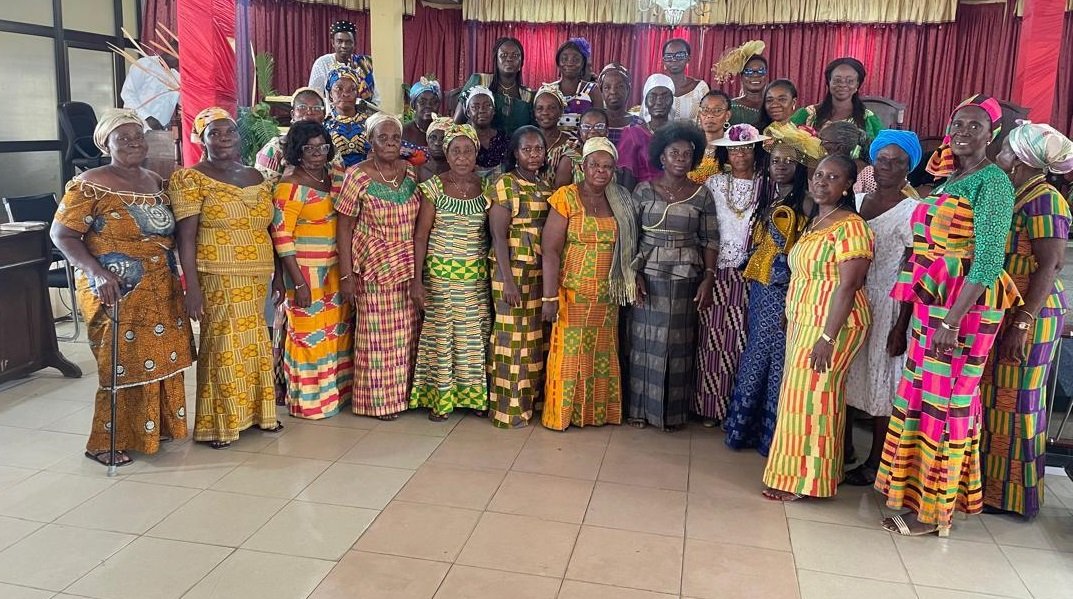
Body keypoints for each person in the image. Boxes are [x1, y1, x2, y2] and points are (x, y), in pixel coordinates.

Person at [876, 95, 1020, 537]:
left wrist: (951, 321)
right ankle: (914, 495)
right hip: (933, 304)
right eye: (958, 123)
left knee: (948, 403)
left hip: (964, 310)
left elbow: (989, 260)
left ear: (992, 135)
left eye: (975, 126)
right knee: (923, 399)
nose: (963, 132)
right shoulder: (951, 178)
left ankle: (933, 512)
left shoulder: (993, 182)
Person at [50, 108, 193, 466]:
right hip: (114, 288)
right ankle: (104, 442)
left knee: (160, 356)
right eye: (123, 138)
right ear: (106, 144)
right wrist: (98, 273)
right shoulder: (89, 184)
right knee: (120, 362)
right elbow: (62, 235)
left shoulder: (155, 181)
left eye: (137, 136)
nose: (133, 143)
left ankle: (154, 429)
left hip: (160, 285)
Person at [762, 154, 874, 501]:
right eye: (819, 175)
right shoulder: (817, 221)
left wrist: (827, 337)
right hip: (805, 318)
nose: (822, 182)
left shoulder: (851, 226)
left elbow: (849, 285)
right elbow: (805, 274)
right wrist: (790, 312)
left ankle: (807, 483)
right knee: (801, 396)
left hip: (832, 324)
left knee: (814, 398)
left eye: (833, 177)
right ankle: (813, 474)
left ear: (848, 186)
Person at [171, 107, 281, 449]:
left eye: (229, 131)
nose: (223, 138)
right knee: (223, 345)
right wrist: (191, 288)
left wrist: (279, 276)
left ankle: (260, 414)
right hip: (217, 274)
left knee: (256, 341)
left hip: (258, 274)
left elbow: (271, 229)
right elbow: (185, 238)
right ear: (201, 139)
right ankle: (220, 424)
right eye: (214, 133)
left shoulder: (258, 176)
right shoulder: (191, 179)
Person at [980, 123, 1073, 518]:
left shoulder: (1046, 200)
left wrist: (1022, 322)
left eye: (1003, 150)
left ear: (1018, 159)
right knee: (996, 399)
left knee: (1017, 402)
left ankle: (1014, 498)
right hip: (1007, 305)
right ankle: (990, 489)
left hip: (1029, 311)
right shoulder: (1018, 192)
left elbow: (1051, 264)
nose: (997, 155)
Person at [724, 123, 823, 455]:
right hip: (761, 289)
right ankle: (746, 430)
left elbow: (805, 254)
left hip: (783, 291)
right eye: (776, 160)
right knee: (757, 355)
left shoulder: (806, 202)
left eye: (788, 161)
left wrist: (792, 296)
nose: (781, 166)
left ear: (800, 166)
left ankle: (771, 437)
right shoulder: (771, 196)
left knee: (777, 359)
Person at [541, 137, 638, 431]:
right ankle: (563, 415)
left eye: (607, 166)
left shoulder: (620, 200)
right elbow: (550, 250)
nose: (600, 171)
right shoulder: (566, 197)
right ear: (583, 166)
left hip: (607, 296)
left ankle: (596, 414)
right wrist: (549, 297)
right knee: (569, 357)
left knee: (601, 356)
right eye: (594, 164)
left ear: (614, 170)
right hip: (572, 294)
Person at [843, 130, 923, 486]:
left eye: (897, 161)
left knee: (882, 381)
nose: (888, 166)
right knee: (845, 374)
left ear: (909, 167)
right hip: (851, 299)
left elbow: (913, 270)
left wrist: (900, 325)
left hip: (890, 303)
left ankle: (876, 460)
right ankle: (842, 448)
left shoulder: (913, 211)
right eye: (882, 159)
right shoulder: (855, 201)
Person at [628, 122, 719, 432]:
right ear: (661, 157)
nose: (680, 158)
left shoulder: (702, 194)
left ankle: (673, 414)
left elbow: (710, 240)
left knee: (678, 345)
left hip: (685, 278)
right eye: (674, 153)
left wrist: (708, 278)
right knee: (644, 343)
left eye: (686, 154)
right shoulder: (643, 190)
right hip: (647, 275)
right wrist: (633, 274)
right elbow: (631, 238)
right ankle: (640, 410)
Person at [335, 113, 423, 421]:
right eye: (382, 138)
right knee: (377, 338)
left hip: (406, 264)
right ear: (370, 141)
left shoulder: (410, 172)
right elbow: (344, 227)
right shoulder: (356, 175)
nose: (389, 143)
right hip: (372, 266)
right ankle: (377, 402)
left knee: (405, 335)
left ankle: (403, 396)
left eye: (395, 138)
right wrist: (346, 275)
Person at [270, 120, 354, 420]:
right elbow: (281, 237)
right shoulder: (289, 186)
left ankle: (335, 396)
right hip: (304, 272)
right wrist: (298, 283)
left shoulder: (335, 177)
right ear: (297, 151)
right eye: (309, 148)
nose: (318, 153)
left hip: (335, 270)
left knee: (336, 333)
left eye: (322, 146)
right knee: (307, 336)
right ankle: (309, 403)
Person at [409, 124, 491, 421]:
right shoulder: (434, 187)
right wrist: (417, 281)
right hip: (441, 277)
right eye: (455, 151)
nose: (462, 157)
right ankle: (440, 400)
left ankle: (473, 397)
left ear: (476, 153)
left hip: (475, 278)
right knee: (442, 337)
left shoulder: (487, 187)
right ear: (446, 153)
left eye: (468, 151)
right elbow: (421, 236)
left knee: (473, 338)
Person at [695, 123, 766, 426]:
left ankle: (734, 410)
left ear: (755, 151)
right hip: (716, 270)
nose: (740, 155)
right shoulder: (714, 183)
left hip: (749, 272)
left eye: (747, 148)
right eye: (735, 149)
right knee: (711, 338)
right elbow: (705, 226)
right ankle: (709, 407)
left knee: (741, 339)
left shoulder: (766, 184)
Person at [487, 126, 552, 428]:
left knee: (533, 339)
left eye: (538, 149)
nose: (534, 154)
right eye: (527, 149)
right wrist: (508, 281)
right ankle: (508, 410)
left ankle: (530, 402)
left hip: (538, 271)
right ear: (515, 153)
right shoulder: (505, 184)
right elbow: (498, 237)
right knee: (511, 340)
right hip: (511, 270)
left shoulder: (544, 184)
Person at [255, 87, 344, 186]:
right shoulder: (275, 148)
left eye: (316, 108)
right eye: (302, 107)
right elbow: (261, 189)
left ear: (323, 116)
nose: (309, 112)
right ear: (293, 114)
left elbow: (339, 185)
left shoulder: (330, 149)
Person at [790, 57, 883, 145]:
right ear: (829, 82)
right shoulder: (809, 114)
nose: (842, 84)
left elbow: (881, 149)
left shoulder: (868, 119)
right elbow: (787, 139)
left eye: (850, 81)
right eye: (837, 80)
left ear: (857, 85)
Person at [457, 37, 534, 137]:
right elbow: (457, 123)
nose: (509, 59)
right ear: (496, 60)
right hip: (479, 144)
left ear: (521, 62)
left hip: (519, 146)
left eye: (515, 55)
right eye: (503, 55)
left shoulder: (528, 96)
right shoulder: (480, 81)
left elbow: (532, 131)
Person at [618, 74, 675, 189]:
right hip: (642, 195)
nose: (659, 102)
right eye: (653, 96)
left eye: (665, 96)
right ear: (645, 102)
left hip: (676, 194)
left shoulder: (680, 134)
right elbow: (627, 177)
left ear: (672, 101)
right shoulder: (633, 134)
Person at [308, 20, 378, 106]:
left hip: (363, 112)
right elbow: (314, 96)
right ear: (333, 43)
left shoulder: (364, 63)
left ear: (354, 44)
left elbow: (375, 97)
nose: (344, 46)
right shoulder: (323, 63)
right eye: (339, 41)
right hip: (332, 112)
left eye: (348, 42)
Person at [642, 38, 710, 123]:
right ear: (663, 60)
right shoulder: (654, 86)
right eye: (669, 56)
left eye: (680, 56)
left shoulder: (700, 87)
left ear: (688, 58)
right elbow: (646, 117)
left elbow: (708, 118)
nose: (674, 60)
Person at [325, 66, 376, 169]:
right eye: (339, 89)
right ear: (330, 94)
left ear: (357, 93)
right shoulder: (324, 125)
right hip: (333, 177)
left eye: (352, 89)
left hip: (367, 175)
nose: (345, 94)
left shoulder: (371, 123)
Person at [120, 49, 180, 131]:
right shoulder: (145, 64)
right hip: (136, 126)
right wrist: (147, 117)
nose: (179, 62)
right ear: (169, 50)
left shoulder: (177, 77)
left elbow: (183, 103)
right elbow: (127, 93)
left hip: (160, 131)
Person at [549, 38, 602, 130]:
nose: (569, 63)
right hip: (552, 139)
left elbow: (600, 123)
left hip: (585, 139)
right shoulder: (548, 90)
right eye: (565, 59)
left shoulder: (593, 90)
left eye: (576, 59)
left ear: (582, 64)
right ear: (558, 63)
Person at [462, 86, 510, 178]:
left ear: (494, 110)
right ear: (468, 112)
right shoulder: (462, 139)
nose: (481, 110)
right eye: (475, 107)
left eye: (487, 106)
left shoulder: (504, 139)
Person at [554, 108, 609, 188]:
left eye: (599, 126)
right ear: (580, 131)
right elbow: (559, 193)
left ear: (607, 131)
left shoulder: (612, 157)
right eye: (586, 127)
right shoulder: (569, 159)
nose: (592, 131)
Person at [532, 84, 575, 186]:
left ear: (561, 111)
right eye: (540, 108)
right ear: (534, 112)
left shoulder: (570, 143)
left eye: (551, 108)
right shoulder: (526, 140)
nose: (545, 113)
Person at [688, 90, 733, 184]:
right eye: (705, 110)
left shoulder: (733, 147)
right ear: (699, 114)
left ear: (727, 116)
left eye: (717, 111)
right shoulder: (690, 144)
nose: (710, 115)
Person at [818, 121, 873, 193]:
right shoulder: (832, 168)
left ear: (839, 148)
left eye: (823, 141)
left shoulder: (868, 176)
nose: (820, 145)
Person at [598, 63, 644, 145]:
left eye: (619, 86)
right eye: (607, 87)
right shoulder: (595, 122)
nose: (613, 92)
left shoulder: (639, 124)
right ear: (601, 92)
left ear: (628, 89)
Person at [402, 76, 441, 166]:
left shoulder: (445, 130)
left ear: (439, 104)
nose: (428, 106)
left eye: (433, 102)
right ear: (413, 105)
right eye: (422, 102)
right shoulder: (403, 132)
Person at [417, 115, 454, 183]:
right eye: (433, 138)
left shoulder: (459, 173)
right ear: (427, 141)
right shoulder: (418, 172)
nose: (437, 143)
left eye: (443, 139)